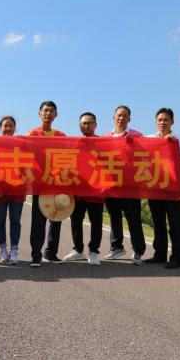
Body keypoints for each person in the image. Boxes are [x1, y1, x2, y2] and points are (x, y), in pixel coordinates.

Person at [145, 108, 180, 269]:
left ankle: (177, 258)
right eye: (160, 119)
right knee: (158, 223)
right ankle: (160, 254)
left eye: (166, 119)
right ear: (155, 122)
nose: (162, 122)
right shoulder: (149, 139)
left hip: (172, 188)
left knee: (175, 223)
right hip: (155, 188)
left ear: (172, 122)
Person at [102, 105, 146, 265]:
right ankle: (116, 247)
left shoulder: (137, 136)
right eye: (119, 115)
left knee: (133, 219)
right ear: (113, 117)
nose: (121, 118)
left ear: (129, 119)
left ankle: (138, 251)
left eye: (125, 116)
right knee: (114, 218)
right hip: (112, 185)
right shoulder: (105, 137)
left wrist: (134, 145)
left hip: (131, 186)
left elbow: (148, 154)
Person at [27, 101, 66, 267]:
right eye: (45, 110)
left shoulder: (61, 136)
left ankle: (51, 253)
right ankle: (36, 254)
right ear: (39, 113)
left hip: (57, 184)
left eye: (51, 111)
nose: (48, 113)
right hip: (40, 184)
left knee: (56, 218)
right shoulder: (32, 134)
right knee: (38, 220)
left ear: (56, 114)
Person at [63, 112, 104, 266]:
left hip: (95, 190)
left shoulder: (103, 143)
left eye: (89, 123)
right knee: (76, 221)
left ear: (95, 125)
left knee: (96, 222)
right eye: (83, 123)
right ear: (79, 125)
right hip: (77, 190)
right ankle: (78, 249)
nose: (86, 126)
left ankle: (94, 251)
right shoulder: (75, 143)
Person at [0, 116, 24, 265]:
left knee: (15, 221)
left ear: (15, 128)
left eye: (11, 125)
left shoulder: (21, 144)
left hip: (17, 189)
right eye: (5, 126)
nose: (8, 128)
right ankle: (3, 249)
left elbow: (27, 166)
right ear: (0, 128)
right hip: (0, 189)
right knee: (0, 221)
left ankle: (14, 250)